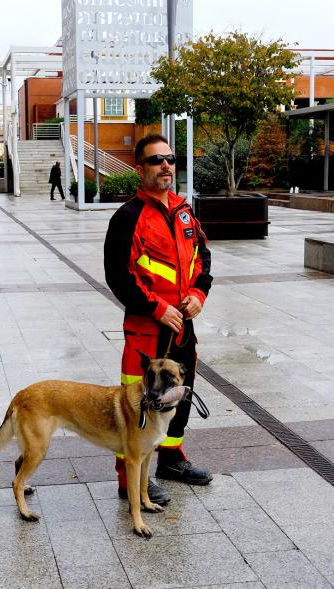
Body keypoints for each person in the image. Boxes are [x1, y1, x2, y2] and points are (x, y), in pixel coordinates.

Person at [104, 133, 213, 505]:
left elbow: (203, 260)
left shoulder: (185, 211)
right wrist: (156, 308)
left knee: (179, 396)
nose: (165, 165)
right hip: (147, 330)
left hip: (183, 327)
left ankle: (171, 460)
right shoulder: (127, 217)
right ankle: (129, 478)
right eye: (156, 160)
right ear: (140, 169)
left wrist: (198, 295)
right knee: (139, 404)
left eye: (170, 159)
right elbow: (118, 276)